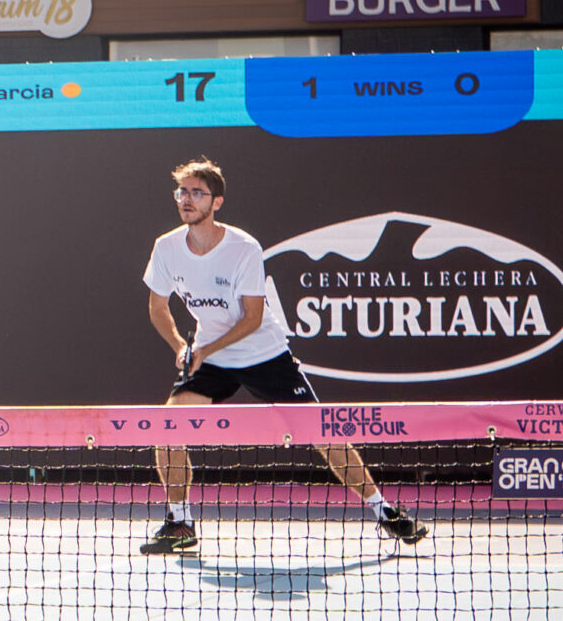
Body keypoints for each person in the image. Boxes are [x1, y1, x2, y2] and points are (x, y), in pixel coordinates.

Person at [140, 158, 428, 555]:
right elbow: (158, 306)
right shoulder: (167, 247)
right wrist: (180, 346)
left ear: (216, 202)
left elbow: (253, 317)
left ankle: (385, 511)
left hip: (264, 353)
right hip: (212, 360)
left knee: (322, 433)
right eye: (181, 192)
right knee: (168, 427)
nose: (186, 199)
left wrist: (204, 349)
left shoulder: (243, 248)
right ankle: (179, 522)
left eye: (196, 193)